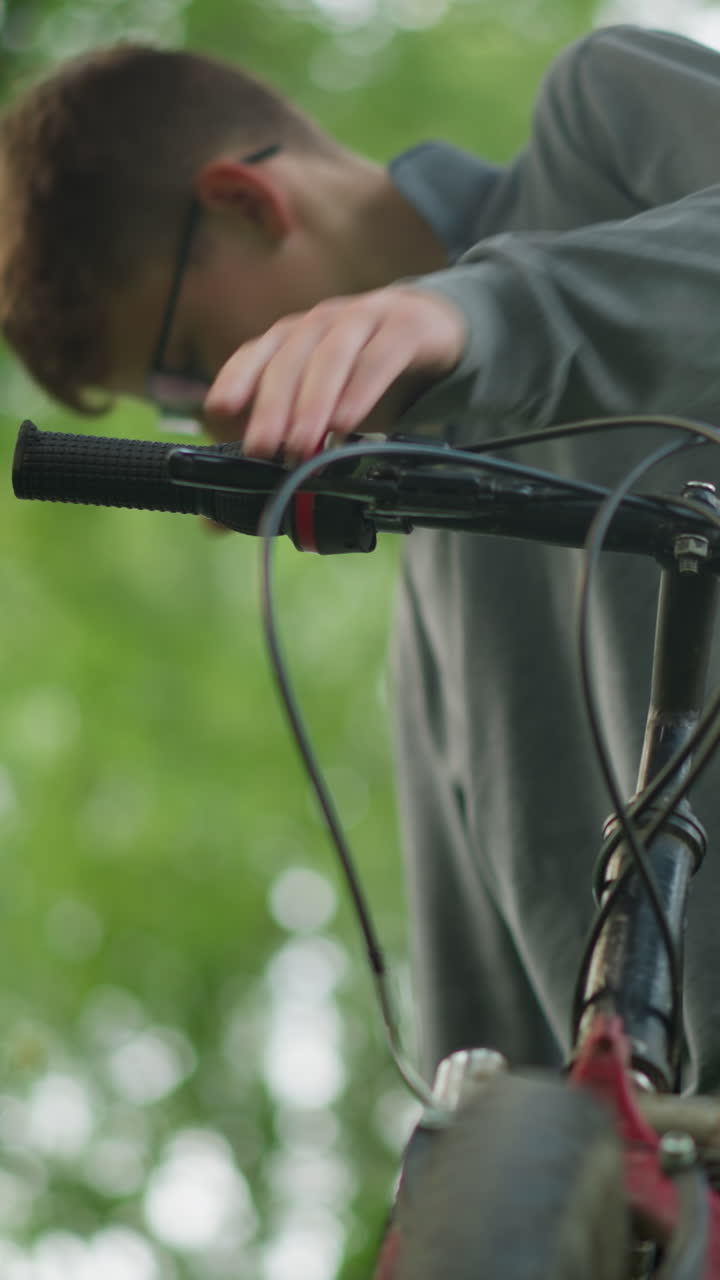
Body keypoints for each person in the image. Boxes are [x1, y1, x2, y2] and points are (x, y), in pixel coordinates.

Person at [3, 23, 720, 1093]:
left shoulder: (603, 122)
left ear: (246, 204)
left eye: (187, 369)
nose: (213, 424)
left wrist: (475, 315)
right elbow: (487, 1086)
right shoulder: (434, 618)